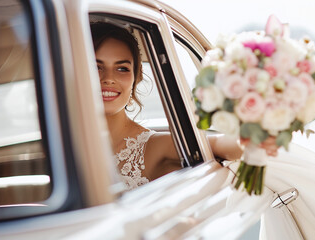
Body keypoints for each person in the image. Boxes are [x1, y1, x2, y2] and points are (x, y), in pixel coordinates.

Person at [91, 22, 243, 190]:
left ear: (136, 78)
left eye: (122, 68)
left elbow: (228, 145)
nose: (108, 78)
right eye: (96, 67)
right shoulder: (57, 142)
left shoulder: (155, 147)